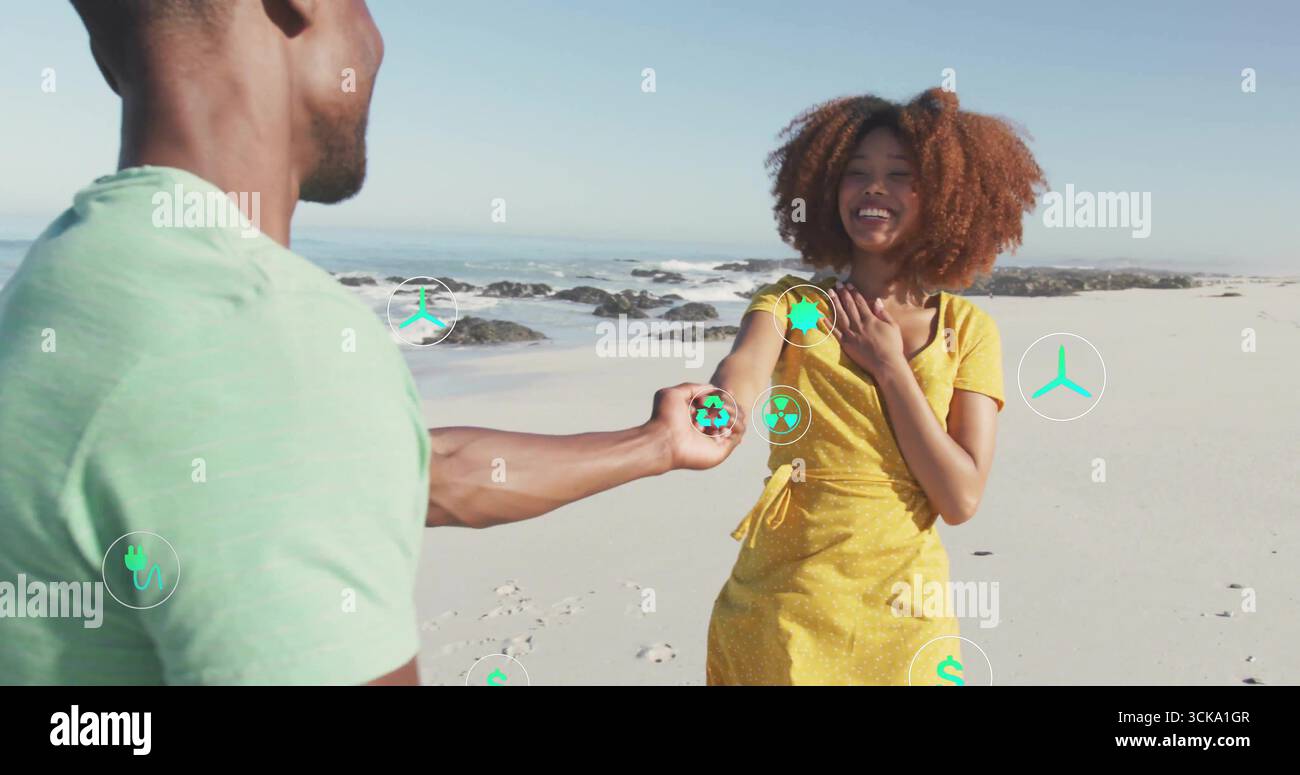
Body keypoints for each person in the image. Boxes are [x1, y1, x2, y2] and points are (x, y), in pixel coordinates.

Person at [0, 0, 740, 686]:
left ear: (106, 57)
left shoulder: (78, 282)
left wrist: (658, 443)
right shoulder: (255, 329)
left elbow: (413, 470)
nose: (376, 39)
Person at [704, 89, 1045, 685]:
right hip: (783, 603)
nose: (874, 188)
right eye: (856, 174)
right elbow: (743, 372)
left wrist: (890, 367)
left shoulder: (966, 330)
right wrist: (718, 406)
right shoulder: (794, 304)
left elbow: (960, 499)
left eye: (899, 175)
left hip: (907, 613)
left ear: (945, 197)